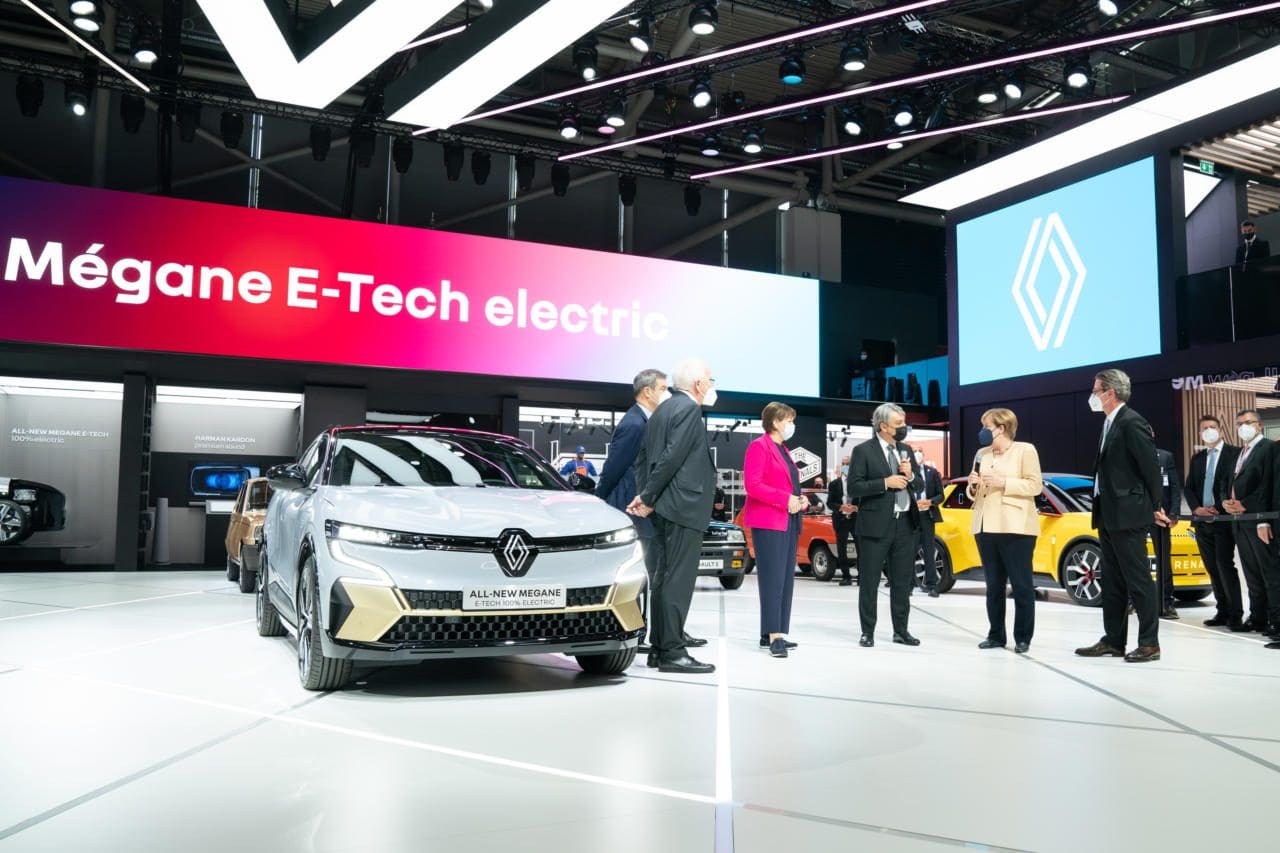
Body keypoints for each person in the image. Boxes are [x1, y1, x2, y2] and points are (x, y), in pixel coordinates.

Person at [628, 358, 718, 674]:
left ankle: (659, 648)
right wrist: (648, 497)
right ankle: (673, 652)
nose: (712, 386)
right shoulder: (689, 410)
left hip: (665, 508)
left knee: (663, 578)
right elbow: (672, 457)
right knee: (678, 581)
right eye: (710, 380)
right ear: (698, 384)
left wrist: (647, 496)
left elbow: (642, 460)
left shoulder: (661, 410)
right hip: (683, 507)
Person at [1075, 369, 1170, 663]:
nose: (1092, 396)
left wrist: (1154, 506)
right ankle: (1114, 640)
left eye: (1096, 390)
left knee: (1138, 580)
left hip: (1129, 514)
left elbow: (1150, 469)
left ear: (1110, 393)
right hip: (1107, 512)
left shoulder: (1132, 422)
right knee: (1113, 581)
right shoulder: (1109, 423)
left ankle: (1150, 643)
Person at [596, 368, 669, 653]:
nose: (666, 393)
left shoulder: (646, 421)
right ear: (647, 391)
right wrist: (599, 499)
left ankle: (652, 632)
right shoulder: (634, 424)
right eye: (662, 388)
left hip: (641, 508)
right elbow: (614, 466)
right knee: (637, 574)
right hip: (630, 508)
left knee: (650, 572)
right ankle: (637, 633)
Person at [966, 408, 1043, 653]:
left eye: (986, 426)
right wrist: (972, 485)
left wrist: (1004, 483)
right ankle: (995, 635)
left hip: (1015, 527)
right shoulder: (981, 454)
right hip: (984, 525)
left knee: (1021, 585)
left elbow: (1035, 486)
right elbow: (974, 493)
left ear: (1001, 428)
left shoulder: (1025, 450)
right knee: (993, 586)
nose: (982, 431)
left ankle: (1023, 637)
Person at [847, 402, 921, 647]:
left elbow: (919, 485)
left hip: (905, 525)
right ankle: (867, 631)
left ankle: (901, 631)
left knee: (902, 582)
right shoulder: (863, 451)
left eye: (904, 422)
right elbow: (854, 487)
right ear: (883, 426)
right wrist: (885, 483)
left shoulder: (906, 450)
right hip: (874, 526)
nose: (904, 427)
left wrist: (910, 475)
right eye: (899, 423)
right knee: (869, 582)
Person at [742, 402, 806, 658]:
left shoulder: (784, 449)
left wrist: (801, 499)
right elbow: (753, 485)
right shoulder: (759, 447)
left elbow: (790, 484)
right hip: (769, 521)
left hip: (788, 520)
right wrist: (784, 499)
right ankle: (774, 636)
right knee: (772, 579)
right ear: (776, 422)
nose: (792, 425)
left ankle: (772, 630)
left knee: (785, 579)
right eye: (789, 420)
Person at [1183, 415, 1245, 630]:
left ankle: (1236, 615)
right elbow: (1189, 488)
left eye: (1212, 427)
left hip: (1223, 520)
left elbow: (1234, 485)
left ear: (1220, 430)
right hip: (1202, 522)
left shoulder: (1234, 454)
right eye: (1204, 428)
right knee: (1212, 567)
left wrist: (1217, 507)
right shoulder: (1198, 458)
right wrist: (1197, 509)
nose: (1209, 431)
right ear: (1200, 433)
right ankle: (1222, 611)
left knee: (1224, 565)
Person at [1223, 409, 1279, 640]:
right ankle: (1258, 617)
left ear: (1259, 425)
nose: (1243, 427)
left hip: (1258, 518)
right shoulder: (1241, 452)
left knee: (1270, 572)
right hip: (1240, 521)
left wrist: (1247, 506)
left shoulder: (1269, 448)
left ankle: (1276, 621)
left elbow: (1268, 485)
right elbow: (1232, 481)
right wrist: (1227, 502)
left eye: (1247, 422)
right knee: (1251, 573)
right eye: (1239, 424)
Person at [1150, 437, 1182, 619]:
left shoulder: (1165, 457)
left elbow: (1175, 486)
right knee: (1134, 560)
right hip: (1138, 515)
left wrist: (1174, 513)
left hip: (1162, 517)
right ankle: (1133, 600)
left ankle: (1166, 602)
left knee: (1163, 559)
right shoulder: (1130, 456)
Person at [913, 449, 945, 597]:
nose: (917, 453)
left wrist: (930, 502)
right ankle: (908, 586)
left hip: (927, 516)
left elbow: (941, 495)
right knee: (909, 551)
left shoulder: (932, 472)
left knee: (929, 550)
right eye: (914, 451)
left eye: (920, 451)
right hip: (911, 516)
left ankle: (932, 585)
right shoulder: (906, 473)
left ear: (924, 455)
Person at [827, 455, 857, 585]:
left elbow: (864, 500)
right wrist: (840, 507)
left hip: (856, 519)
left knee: (861, 548)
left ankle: (862, 576)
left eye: (848, 464)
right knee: (841, 549)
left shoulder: (859, 483)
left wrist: (857, 507)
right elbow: (829, 503)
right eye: (844, 464)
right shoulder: (834, 484)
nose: (846, 466)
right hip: (841, 519)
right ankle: (846, 576)